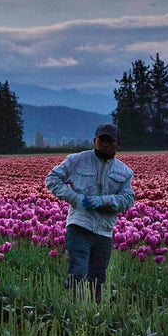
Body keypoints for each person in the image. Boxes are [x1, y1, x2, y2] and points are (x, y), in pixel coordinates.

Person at [44, 123, 135, 301]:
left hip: (104, 230)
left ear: (118, 143)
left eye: (110, 140)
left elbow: (127, 200)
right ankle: (74, 311)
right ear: (94, 140)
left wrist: (104, 201)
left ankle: (94, 314)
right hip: (80, 225)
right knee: (77, 272)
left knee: (98, 278)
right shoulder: (76, 160)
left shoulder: (124, 172)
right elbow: (52, 179)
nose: (105, 144)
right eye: (101, 139)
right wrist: (75, 198)